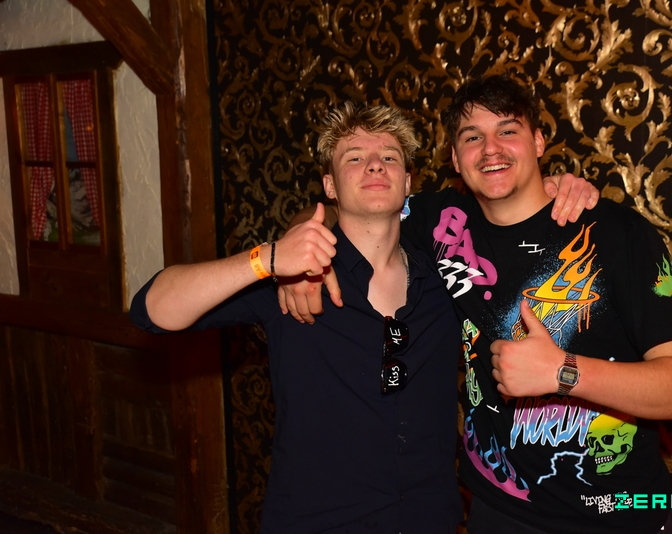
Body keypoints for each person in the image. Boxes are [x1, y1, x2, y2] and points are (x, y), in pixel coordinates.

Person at [281, 76, 672, 534]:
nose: (491, 149)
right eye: (472, 137)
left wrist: (564, 372)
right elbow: (349, 206)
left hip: (613, 519)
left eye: (508, 130)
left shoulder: (616, 233)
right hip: (495, 512)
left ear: (539, 142)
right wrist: (302, 244)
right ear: (455, 159)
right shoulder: (441, 222)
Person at [130, 103, 466, 533]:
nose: (374, 165)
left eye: (389, 156)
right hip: (318, 522)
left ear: (406, 182)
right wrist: (267, 259)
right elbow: (151, 309)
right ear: (329, 185)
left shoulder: (447, 279)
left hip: (428, 519)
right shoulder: (290, 278)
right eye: (355, 157)